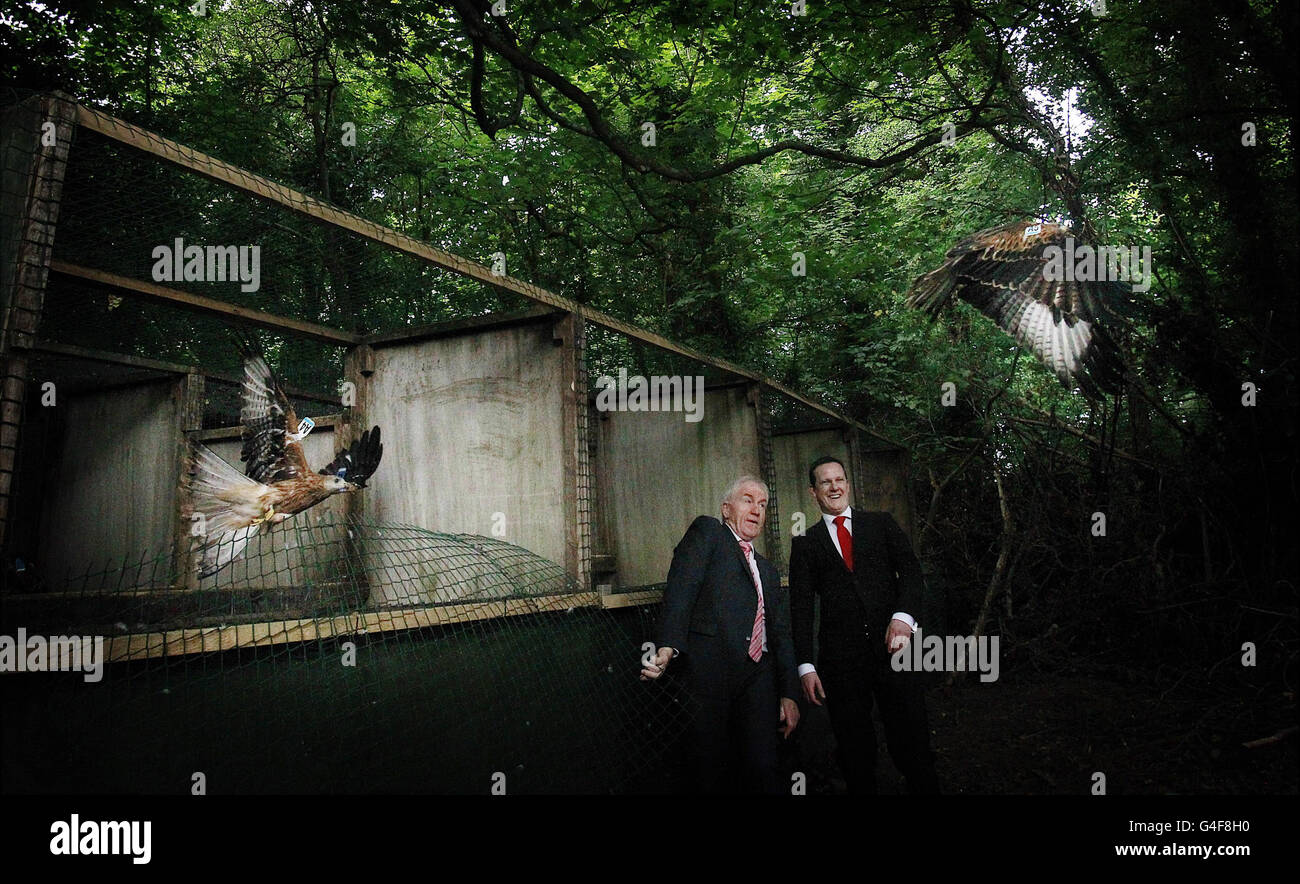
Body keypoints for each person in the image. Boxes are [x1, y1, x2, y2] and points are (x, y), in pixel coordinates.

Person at [788, 456, 939, 794]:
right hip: (842, 665)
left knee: (912, 740)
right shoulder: (805, 543)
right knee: (855, 751)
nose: (834, 486)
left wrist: (902, 618)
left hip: (895, 653)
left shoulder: (880, 524)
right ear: (813, 492)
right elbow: (799, 608)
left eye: (839, 479)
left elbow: (911, 572)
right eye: (825, 482)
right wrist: (805, 665)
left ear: (847, 484)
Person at [640, 476, 801, 793]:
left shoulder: (767, 570)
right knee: (709, 767)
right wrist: (668, 645)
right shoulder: (709, 533)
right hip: (709, 674)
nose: (756, 509)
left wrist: (790, 693)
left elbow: (780, 633)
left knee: (763, 765)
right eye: (747, 499)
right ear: (727, 509)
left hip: (758, 677)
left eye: (763, 504)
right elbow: (682, 587)